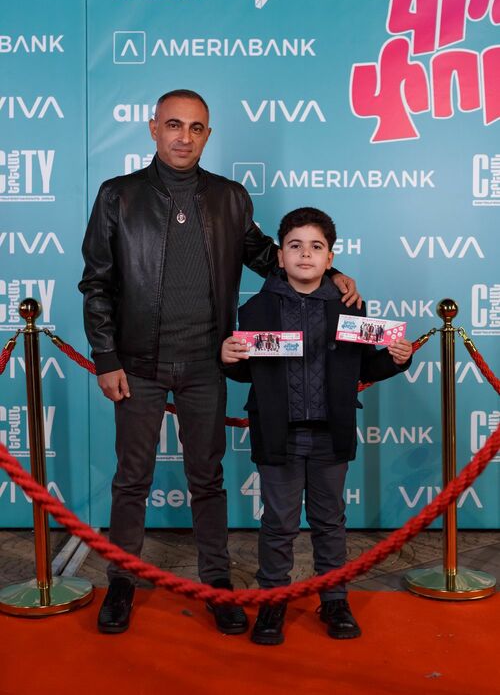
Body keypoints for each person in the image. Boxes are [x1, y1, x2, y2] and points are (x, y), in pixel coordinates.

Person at [79, 90, 361, 635]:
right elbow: (97, 283)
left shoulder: (230, 197)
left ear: (208, 134)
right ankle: (121, 582)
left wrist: (331, 272)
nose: (184, 137)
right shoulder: (118, 195)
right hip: (136, 364)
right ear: (153, 128)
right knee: (131, 479)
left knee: (207, 479)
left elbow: (267, 255)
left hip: (206, 363)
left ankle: (216, 583)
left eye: (196, 128)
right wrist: (106, 357)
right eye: (173, 125)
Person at [222, 207, 412, 645]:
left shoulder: (350, 307)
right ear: (280, 256)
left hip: (331, 432)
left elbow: (367, 365)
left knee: (330, 521)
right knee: (278, 523)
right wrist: (229, 360)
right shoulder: (255, 309)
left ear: (330, 258)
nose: (305, 254)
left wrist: (396, 360)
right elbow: (248, 370)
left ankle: (335, 599)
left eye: (315, 247)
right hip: (278, 434)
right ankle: (273, 599)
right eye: (295, 246)